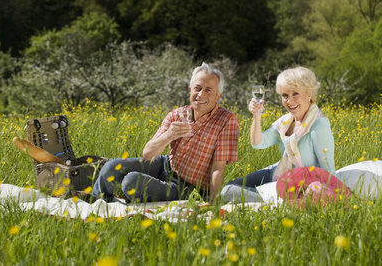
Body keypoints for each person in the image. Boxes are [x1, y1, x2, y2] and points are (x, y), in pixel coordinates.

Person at [92, 62, 240, 204]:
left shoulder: (226, 120)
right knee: (111, 166)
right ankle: (97, 204)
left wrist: (212, 203)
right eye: (197, 88)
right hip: (165, 165)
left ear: (218, 96)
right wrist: (169, 135)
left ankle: (137, 204)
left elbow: (218, 168)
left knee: (131, 182)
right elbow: (148, 154)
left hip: (188, 188)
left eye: (208, 90)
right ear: (190, 90)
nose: (201, 94)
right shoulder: (177, 114)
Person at [221, 66, 335, 202]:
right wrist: (257, 116)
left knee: (227, 192)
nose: (289, 101)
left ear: (309, 93)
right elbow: (258, 143)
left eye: (295, 94)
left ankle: (275, 202)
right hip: (277, 172)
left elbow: (328, 171)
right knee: (229, 186)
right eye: (285, 95)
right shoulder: (286, 121)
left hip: (295, 184)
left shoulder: (318, 125)